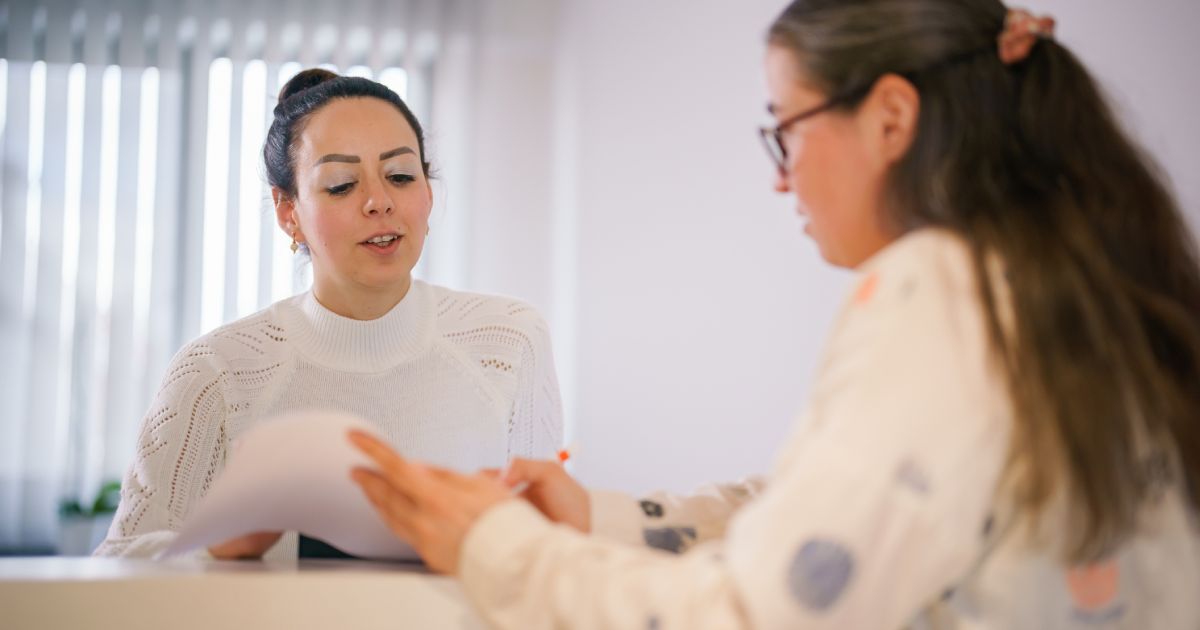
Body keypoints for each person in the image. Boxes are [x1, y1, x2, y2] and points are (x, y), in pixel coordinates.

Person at [346, 1, 1200, 628]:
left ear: (893, 118)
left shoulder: (940, 288)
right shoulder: (1076, 284)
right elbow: (843, 511)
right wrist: (600, 519)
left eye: (784, 128)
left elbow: (759, 613)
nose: (779, 176)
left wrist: (494, 546)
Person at [94, 69, 564, 560]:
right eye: (341, 185)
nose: (379, 202)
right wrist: (217, 553)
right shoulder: (217, 372)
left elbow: (548, 554)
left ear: (427, 191)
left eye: (401, 176)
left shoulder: (510, 342)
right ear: (287, 211)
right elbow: (115, 568)